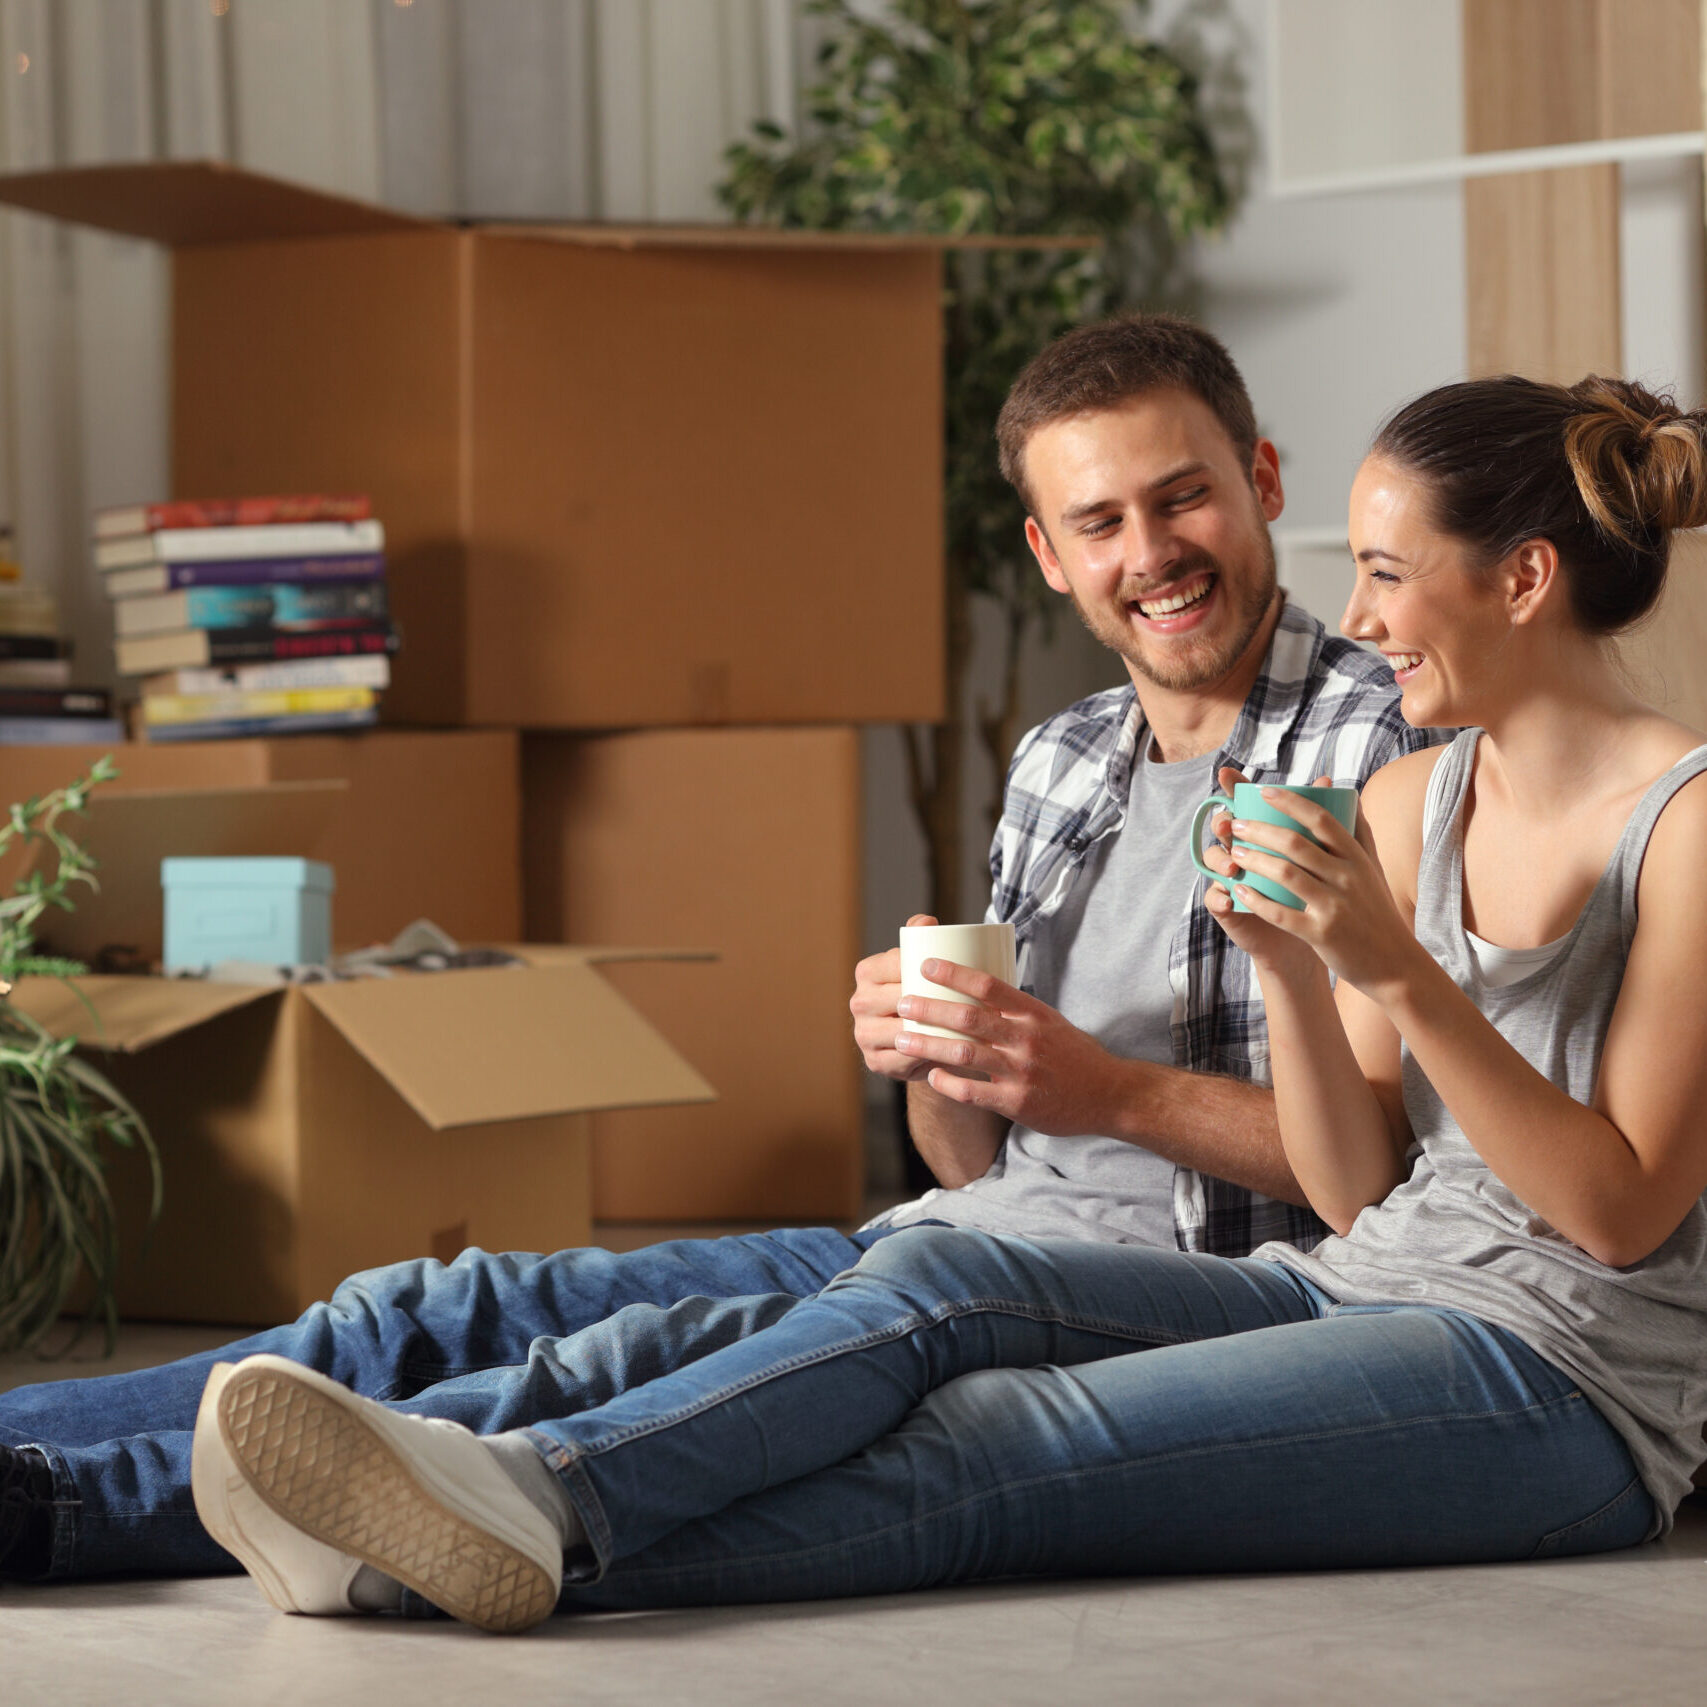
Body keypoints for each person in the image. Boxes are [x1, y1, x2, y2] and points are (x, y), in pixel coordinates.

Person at [191, 370, 1707, 1633]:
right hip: (1360, 1285)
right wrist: (1291, 973)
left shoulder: (1688, 822)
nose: (1364, 614)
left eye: (1388, 570)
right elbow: (1360, 1184)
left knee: (996, 1449)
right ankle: (486, 1502)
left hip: (1562, 1382)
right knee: (941, 1291)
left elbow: (1622, 1213)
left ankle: (479, 1527)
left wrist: (1389, 970)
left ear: (1521, 577)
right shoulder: (1410, 795)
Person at [0, 314, 1427, 1589]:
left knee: (566, 1383)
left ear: (1264, 484)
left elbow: (1396, 1170)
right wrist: (936, 1054)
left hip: (1195, 1298)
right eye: (1100, 521)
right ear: (1050, 555)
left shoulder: (1388, 748)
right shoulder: (1062, 762)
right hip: (940, 1242)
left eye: (1184, 498)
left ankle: (55, 1514)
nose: (1152, 554)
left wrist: (1101, 1092)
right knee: (436, 1308)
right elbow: (965, 1163)